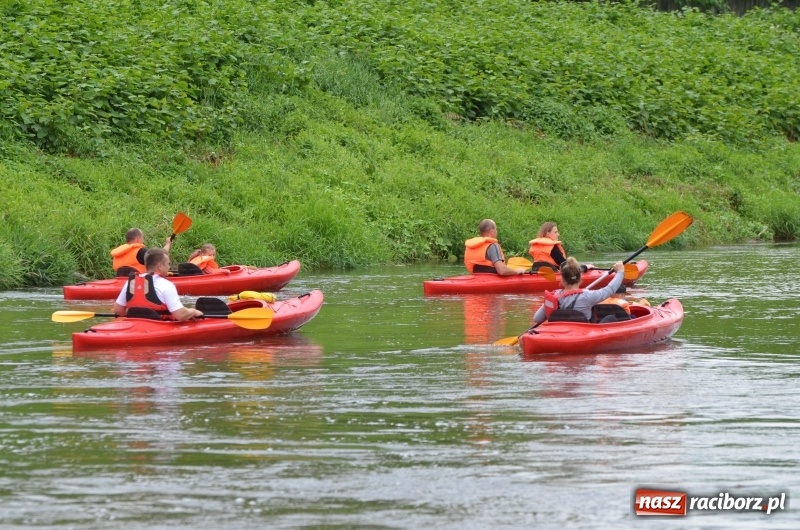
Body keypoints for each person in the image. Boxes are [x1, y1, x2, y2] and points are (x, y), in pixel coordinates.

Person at [113, 248, 203, 321]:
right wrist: (194, 312)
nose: (169, 267)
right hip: (158, 327)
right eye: (168, 264)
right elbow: (180, 315)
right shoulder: (166, 285)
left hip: (135, 327)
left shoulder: (131, 282)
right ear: (160, 266)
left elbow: (118, 310)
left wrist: (137, 314)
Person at [532, 257, 625, 324]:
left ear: (562, 279)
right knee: (611, 318)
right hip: (582, 336)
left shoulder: (554, 296)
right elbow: (610, 289)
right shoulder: (587, 296)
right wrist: (620, 271)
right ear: (580, 278)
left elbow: (537, 319)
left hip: (558, 335)